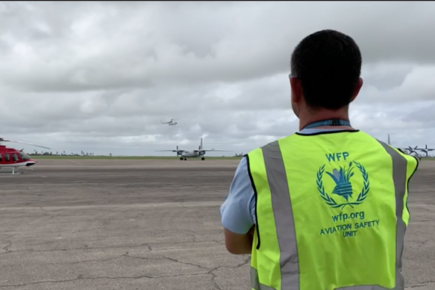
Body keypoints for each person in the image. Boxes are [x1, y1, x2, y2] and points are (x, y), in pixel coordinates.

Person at [220, 29, 419, 290]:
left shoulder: (262, 165)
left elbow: (234, 244)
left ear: (295, 86)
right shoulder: (397, 162)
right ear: (356, 88)